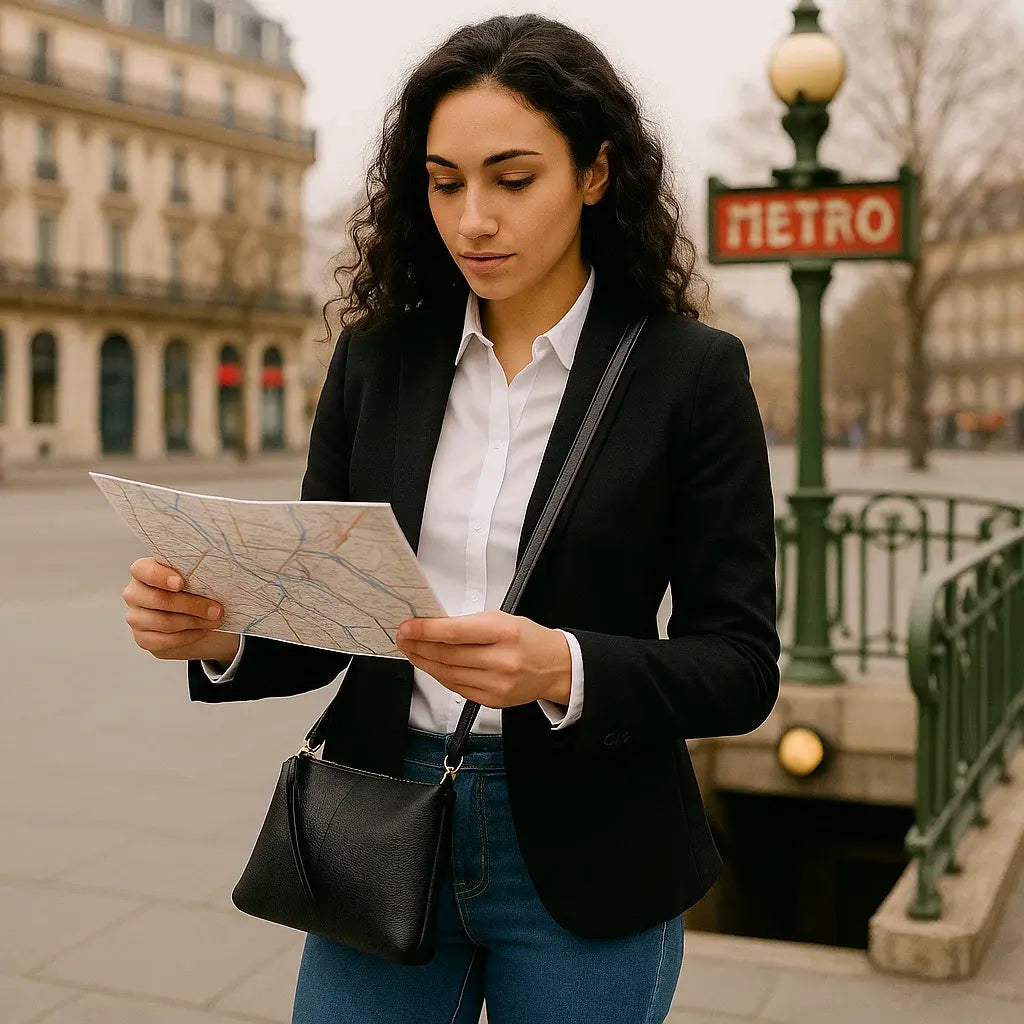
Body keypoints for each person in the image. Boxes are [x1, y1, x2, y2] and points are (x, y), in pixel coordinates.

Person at [121, 13, 780, 1023]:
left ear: (595, 173)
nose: (473, 219)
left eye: (512, 180)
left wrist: (561, 667)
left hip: (593, 854)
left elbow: (738, 664)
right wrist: (215, 633)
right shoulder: (376, 359)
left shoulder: (689, 374)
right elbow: (326, 617)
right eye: (444, 182)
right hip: (381, 824)